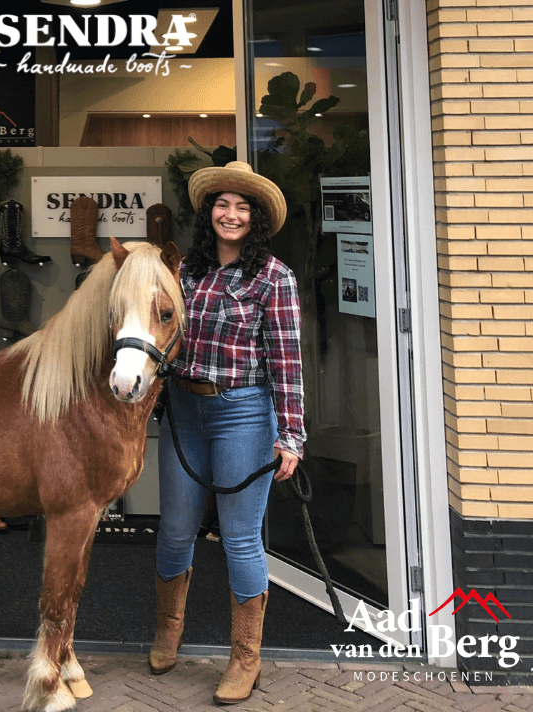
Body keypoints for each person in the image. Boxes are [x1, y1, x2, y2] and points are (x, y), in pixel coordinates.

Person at [150, 161, 304, 704]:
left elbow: (287, 363)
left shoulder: (274, 278)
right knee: (174, 529)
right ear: (208, 212)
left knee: (240, 537)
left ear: (256, 217)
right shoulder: (186, 271)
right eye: (222, 204)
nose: (230, 214)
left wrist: (291, 434)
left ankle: (245, 657)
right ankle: (169, 628)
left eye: (242, 206)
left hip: (243, 411)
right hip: (184, 413)